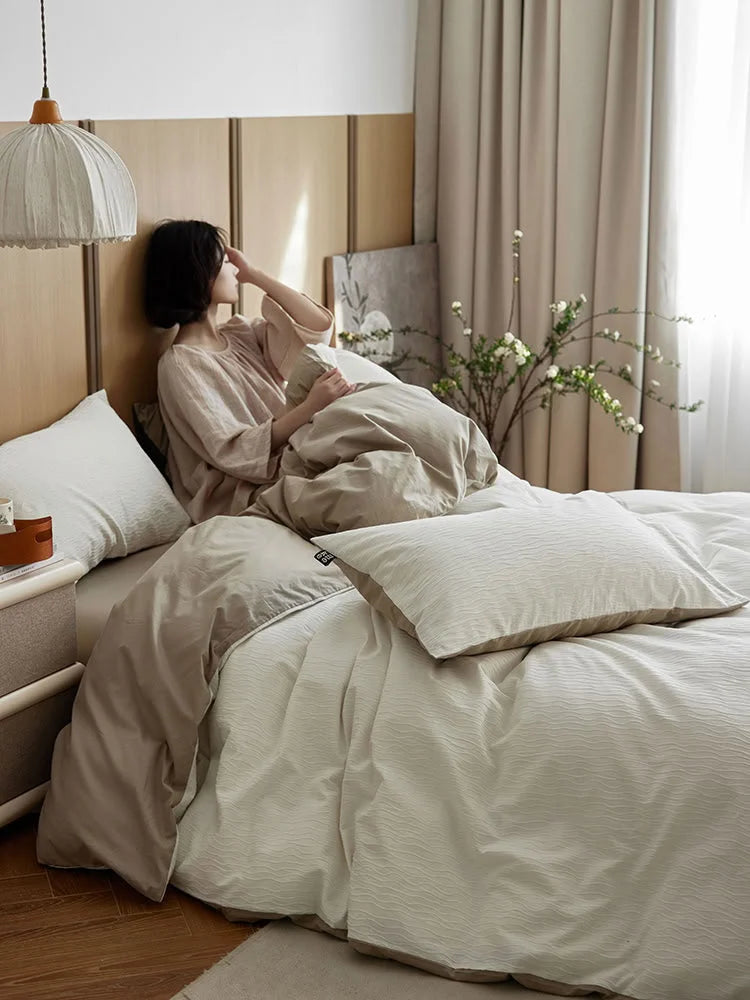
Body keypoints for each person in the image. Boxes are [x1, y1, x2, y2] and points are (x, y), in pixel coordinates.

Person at [144, 220, 355, 523]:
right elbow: (234, 451)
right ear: (198, 272)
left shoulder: (241, 333)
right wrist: (311, 406)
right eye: (224, 260)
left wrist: (256, 275)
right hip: (243, 492)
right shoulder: (180, 365)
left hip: (293, 458)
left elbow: (316, 328)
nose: (234, 268)